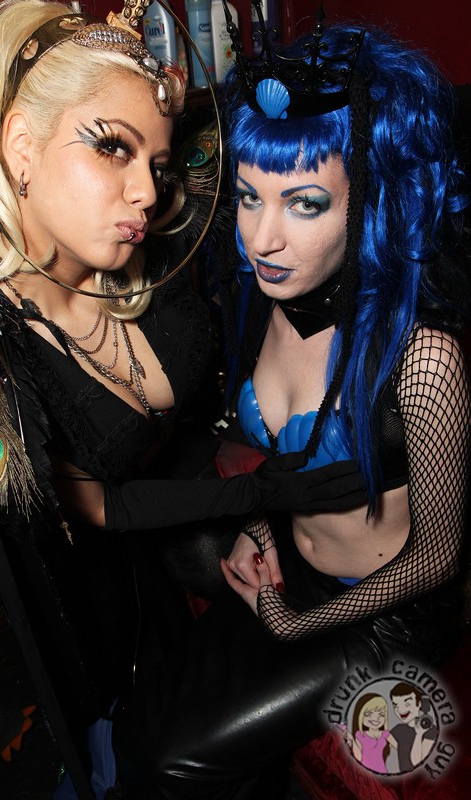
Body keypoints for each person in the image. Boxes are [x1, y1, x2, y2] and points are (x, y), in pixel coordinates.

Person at [0, 0, 368, 760]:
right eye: (112, 148)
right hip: (103, 580)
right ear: (21, 146)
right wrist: (258, 497)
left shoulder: (155, 254)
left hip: (212, 503)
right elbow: (95, 507)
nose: (146, 191)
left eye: (157, 165)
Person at [108, 3, 471, 798]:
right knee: (148, 694)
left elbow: (439, 557)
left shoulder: (423, 360)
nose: (260, 238)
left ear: (369, 202)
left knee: (172, 759)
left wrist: (298, 622)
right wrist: (258, 527)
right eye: (248, 197)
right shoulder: (268, 298)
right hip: (293, 563)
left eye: (303, 203)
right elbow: (280, 461)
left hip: (383, 612)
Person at [342, 692, 397, 774]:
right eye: (369, 714)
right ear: (360, 715)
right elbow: (359, 757)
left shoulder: (385, 734)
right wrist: (352, 740)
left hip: (382, 771)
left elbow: (400, 748)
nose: (376, 718)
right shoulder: (360, 735)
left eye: (381, 714)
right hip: (364, 772)